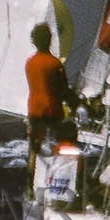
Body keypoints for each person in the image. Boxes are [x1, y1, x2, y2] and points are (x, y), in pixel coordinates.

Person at [26, 23, 79, 187]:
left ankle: (30, 186)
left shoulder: (30, 62)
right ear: (50, 40)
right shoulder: (55, 64)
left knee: (34, 149)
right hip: (52, 111)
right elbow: (63, 90)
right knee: (60, 144)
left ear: (34, 41)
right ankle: (55, 183)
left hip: (34, 110)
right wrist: (77, 103)